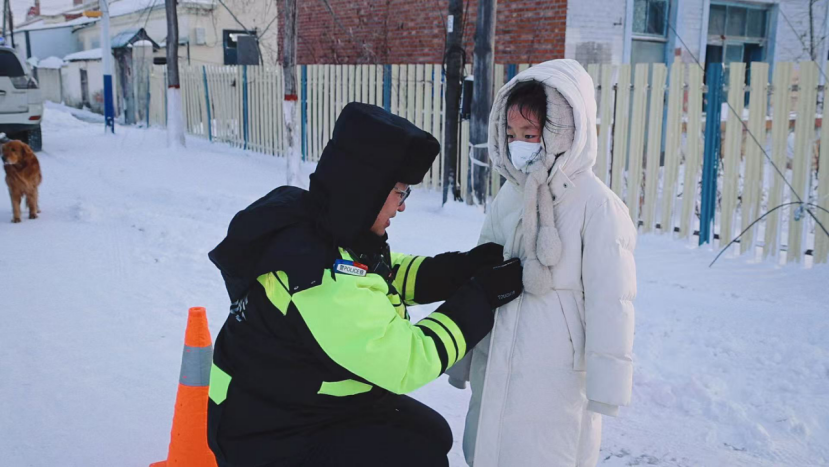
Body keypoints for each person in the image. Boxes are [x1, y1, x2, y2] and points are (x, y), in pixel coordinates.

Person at [206, 102, 524, 467]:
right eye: (400, 192)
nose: (402, 207)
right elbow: (408, 360)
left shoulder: (320, 223)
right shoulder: (317, 280)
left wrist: (460, 269)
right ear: (368, 189)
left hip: (296, 402)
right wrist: (480, 297)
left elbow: (379, 274)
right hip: (266, 437)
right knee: (419, 457)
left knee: (432, 434)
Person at [447, 59, 638, 466]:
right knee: (489, 447)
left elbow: (611, 302)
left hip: (556, 373)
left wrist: (607, 388)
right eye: (511, 134)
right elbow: (477, 277)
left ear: (561, 129)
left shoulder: (597, 206)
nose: (519, 144)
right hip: (497, 356)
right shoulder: (510, 196)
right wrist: (463, 359)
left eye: (529, 134)